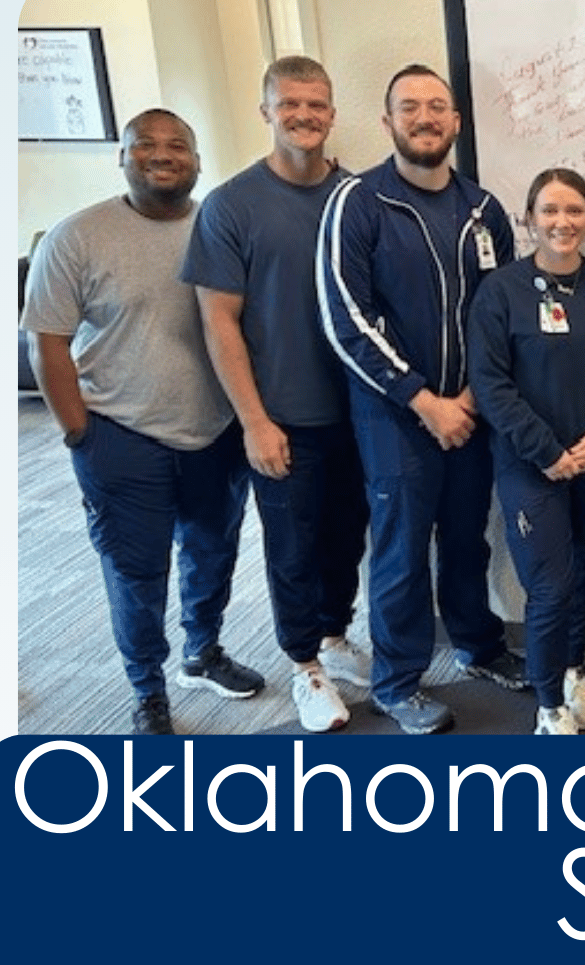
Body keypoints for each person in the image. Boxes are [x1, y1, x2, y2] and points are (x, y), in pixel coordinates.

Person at [22, 109, 262, 734]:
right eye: (145, 146)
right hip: (121, 437)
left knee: (213, 554)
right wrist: (81, 434)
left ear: (197, 160)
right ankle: (147, 689)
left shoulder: (222, 224)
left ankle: (203, 652)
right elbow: (47, 343)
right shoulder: (76, 237)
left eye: (177, 146)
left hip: (215, 433)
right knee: (136, 573)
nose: (163, 155)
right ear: (122, 158)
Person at [317, 64, 525, 737]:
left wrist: (467, 396)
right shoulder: (358, 203)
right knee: (403, 551)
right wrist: (423, 400)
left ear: (457, 121)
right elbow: (347, 317)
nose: (425, 117)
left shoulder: (484, 209)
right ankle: (399, 681)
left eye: (438, 106)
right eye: (410, 107)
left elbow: (499, 312)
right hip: (394, 417)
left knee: (468, 538)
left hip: (471, 412)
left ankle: (477, 645)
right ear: (388, 123)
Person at [182, 56, 370, 734]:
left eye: (317, 105)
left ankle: (333, 638)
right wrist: (253, 421)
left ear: (332, 113)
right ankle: (304, 666)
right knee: (293, 546)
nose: (304, 116)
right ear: (267, 111)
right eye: (290, 104)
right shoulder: (232, 206)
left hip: (359, 410)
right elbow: (218, 320)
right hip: (282, 415)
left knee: (348, 536)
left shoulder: (356, 197)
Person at [469, 169, 585, 735]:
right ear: (528, 220)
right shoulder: (501, 292)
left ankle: (573, 672)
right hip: (530, 467)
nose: (562, 222)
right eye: (549, 211)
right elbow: (491, 385)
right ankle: (548, 706)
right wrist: (546, 451)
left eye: (574, 211)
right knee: (550, 584)